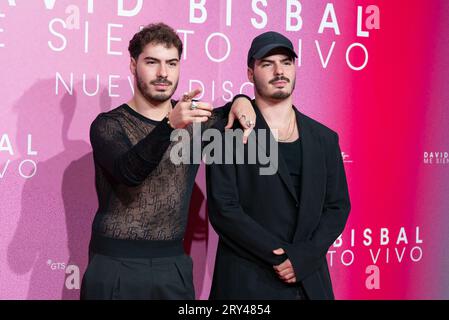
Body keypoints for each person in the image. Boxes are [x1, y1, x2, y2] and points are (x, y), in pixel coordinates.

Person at [80, 22, 255, 300]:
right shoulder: (108, 125)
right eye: (152, 62)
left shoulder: (195, 121)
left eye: (172, 63)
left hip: (172, 266)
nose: (163, 73)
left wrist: (242, 99)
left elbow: (234, 113)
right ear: (133, 64)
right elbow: (128, 172)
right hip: (114, 266)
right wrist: (168, 126)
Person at [206, 31, 351, 300]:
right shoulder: (227, 132)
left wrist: (303, 256)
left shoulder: (325, 138)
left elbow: (338, 206)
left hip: (309, 281)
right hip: (247, 281)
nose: (279, 70)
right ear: (250, 73)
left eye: (285, 62)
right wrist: (281, 257)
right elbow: (223, 209)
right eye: (267, 63)